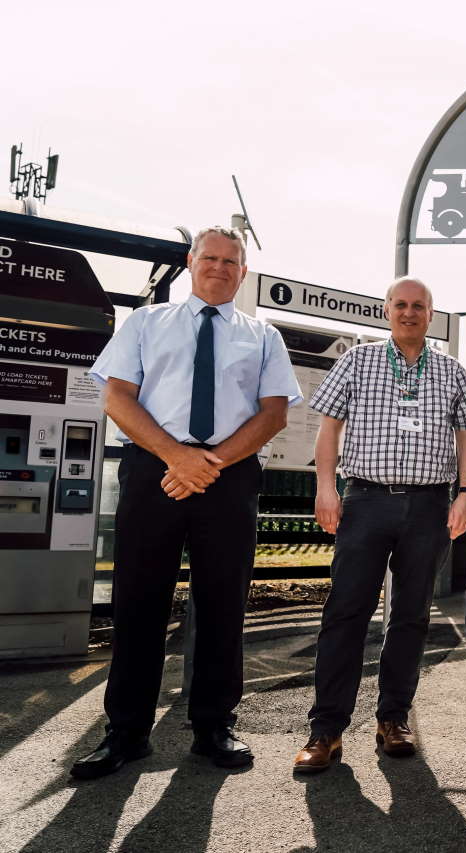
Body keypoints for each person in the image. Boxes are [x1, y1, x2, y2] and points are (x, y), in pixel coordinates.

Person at [74, 227, 301, 780]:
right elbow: (117, 398)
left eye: (232, 261)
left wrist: (209, 463)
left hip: (228, 473)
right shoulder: (147, 323)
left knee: (223, 604)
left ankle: (214, 726)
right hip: (156, 466)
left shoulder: (263, 335)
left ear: (243, 272)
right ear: (191, 261)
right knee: (139, 600)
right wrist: (177, 457)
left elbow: (273, 414)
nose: (221, 267)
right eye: (211, 258)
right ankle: (125, 733)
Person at [292, 277, 466, 773]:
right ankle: (326, 730)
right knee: (346, 612)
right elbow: (328, 429)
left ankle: (393, 719)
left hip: (428, 506)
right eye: (400, 304)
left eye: (419, 306)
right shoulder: (357, 360)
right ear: (386, 309)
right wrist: (326, 489)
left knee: (412, 616)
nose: (409, 312)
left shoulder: (452, 371)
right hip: (366, 501)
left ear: (431, 313)